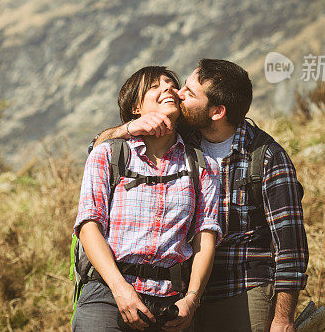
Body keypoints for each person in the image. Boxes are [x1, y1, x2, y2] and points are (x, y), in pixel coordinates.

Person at [93, 59, 308, 332]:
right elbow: (98, 148)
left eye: (190, 93)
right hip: (180, 289)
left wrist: (283, 319)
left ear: (217, 111)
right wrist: (127, 128)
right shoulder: (182, 136)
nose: (178, 94)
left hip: (241, 286)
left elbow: (291, 245)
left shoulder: (267, 157)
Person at [73, 66, 221, 331]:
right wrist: (120, 289)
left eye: (170, 83)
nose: (167, 88)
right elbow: (88, 226)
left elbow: (205, 237)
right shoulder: (108, 154)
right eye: (154, 85)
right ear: (135, 107)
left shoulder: (203, 165)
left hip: (171, 303)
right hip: (107, 294)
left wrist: (192, 299)